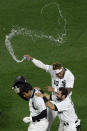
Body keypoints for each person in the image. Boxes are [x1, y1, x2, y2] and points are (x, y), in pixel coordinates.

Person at [24, 54, 75, 131]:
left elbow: (67, 92)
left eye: (60, 73)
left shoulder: (70, 76)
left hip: (64, 102)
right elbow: (42, 65)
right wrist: (31, 59)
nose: (58, 75)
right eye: (57, 74)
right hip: (53, 99)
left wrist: (54, 90)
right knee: (46, 123)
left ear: (62, 69)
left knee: (65, 124)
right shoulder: (53, 70)